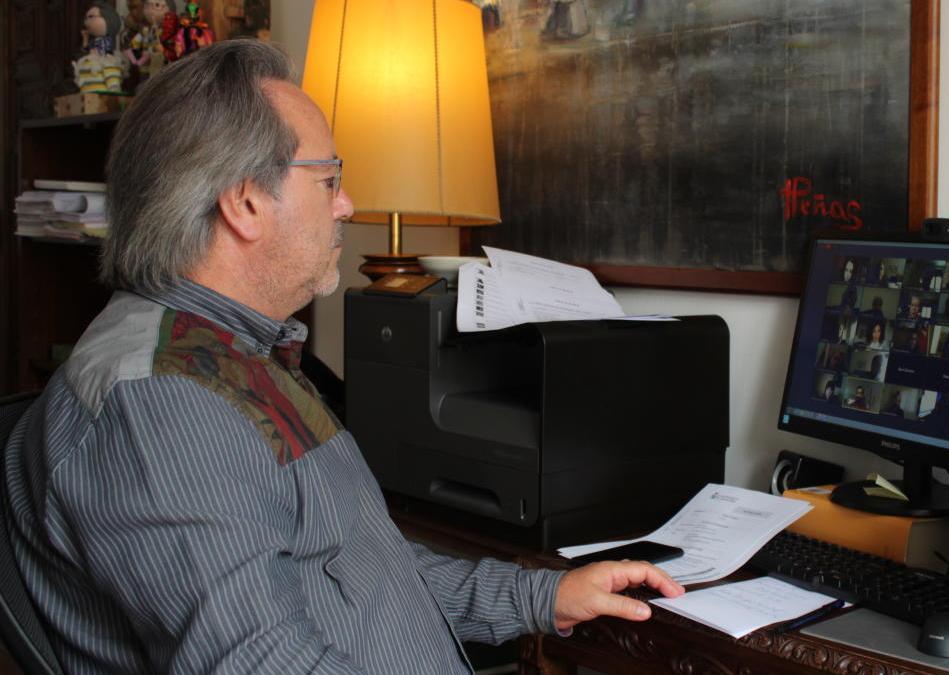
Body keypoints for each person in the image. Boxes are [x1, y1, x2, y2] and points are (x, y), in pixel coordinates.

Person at [3, 42, 683, 674]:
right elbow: (262, 662)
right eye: (329, 179)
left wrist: (543, 595)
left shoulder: (236, 354)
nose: (347, 205)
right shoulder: (163, 402)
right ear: (244, 201)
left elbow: (361, 569)